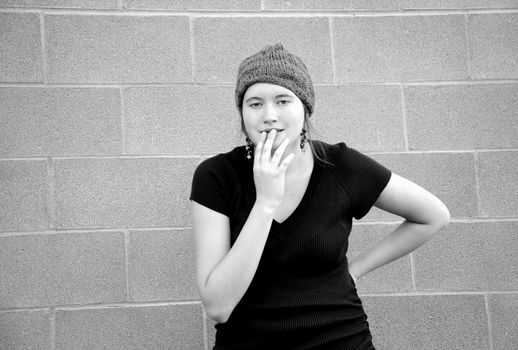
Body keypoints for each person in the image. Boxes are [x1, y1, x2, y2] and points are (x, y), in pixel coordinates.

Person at [190, 43, 450, 350]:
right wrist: (265, 204)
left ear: (304, 108)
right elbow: (218, 307)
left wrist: (354, 272)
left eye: (283, 100)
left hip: (340, 338)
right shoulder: (216, 176)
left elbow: (434, 216)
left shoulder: (340, 166)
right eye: (255, 103)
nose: (269, 115)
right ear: (242, 113)